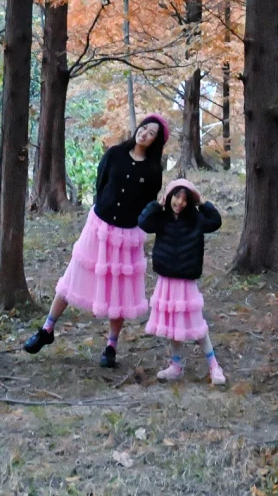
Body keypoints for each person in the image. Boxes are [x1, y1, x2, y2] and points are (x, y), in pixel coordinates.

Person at [23, 114, 169, 368]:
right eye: (144, 127)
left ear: (156, 142)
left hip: (127, 234)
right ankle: (47, 329)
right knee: (74, 273)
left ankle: (111, 345)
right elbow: (100, 184)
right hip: (99, 226)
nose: (144, 133)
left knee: (119, 289)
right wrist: (104, 208)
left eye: (151, 133)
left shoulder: (153, 171)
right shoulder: (114, 154)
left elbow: (148, 204)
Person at [138, 177, 226, 385]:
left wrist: (202, 202)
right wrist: (157, 205)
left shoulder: (196, 218)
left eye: (185, 199)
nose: (180, 203)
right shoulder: (161, 217)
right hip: (167, 278)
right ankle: (176, 366)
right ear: (169, 196)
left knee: (197, 323)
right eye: (177, 197)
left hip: (186, 280)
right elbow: (143, 222)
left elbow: (215, 221)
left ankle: (214, 365)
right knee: (172, 324)